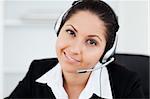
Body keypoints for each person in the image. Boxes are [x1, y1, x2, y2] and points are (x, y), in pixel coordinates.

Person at [5, 0, 144, 99]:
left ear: (106, 52)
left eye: (91, 42)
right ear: (59, 29)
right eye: (71, 32)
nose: (75, 49)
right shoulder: (38, 71)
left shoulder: (127, 84)